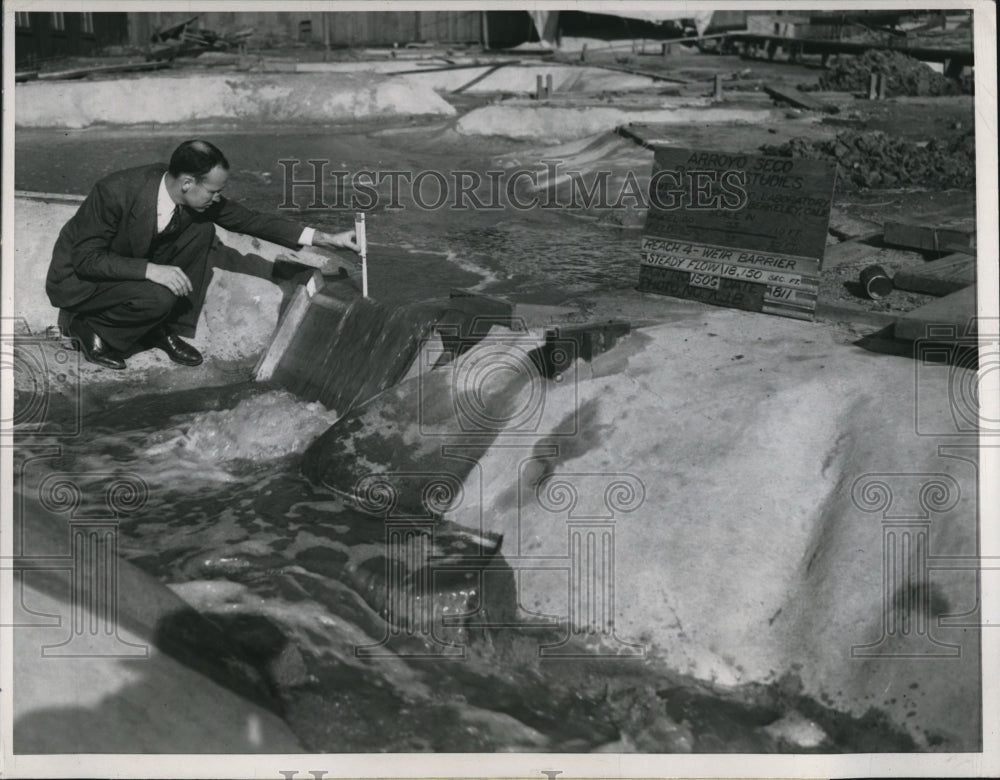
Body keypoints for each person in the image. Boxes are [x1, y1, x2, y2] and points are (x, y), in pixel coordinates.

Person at [46, 139, 359, 370]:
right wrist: (150, 270)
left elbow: (249, 220)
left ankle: (161, 328)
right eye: (213, 192)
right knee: (158, 297)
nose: (218, 198)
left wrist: (325, 238)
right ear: (186, 183)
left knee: (201, 229)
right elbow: (86, 260)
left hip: (125, 264)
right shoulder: (115, 191)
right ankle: (91, 328)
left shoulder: (190, 192)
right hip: (82, 279)